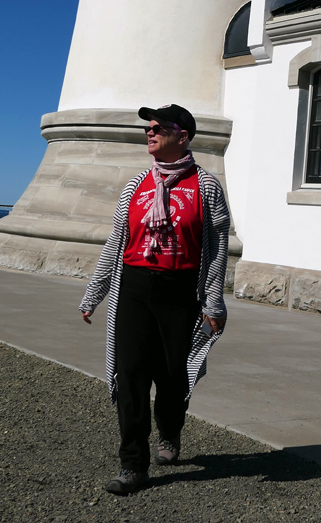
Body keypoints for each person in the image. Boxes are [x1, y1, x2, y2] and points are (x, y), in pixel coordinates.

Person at [79, 103, 230, 495]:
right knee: (130, 376)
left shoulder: (207, 186)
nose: (150, 131)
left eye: (159, 126)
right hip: (134, 286)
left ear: (183, 135)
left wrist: (213, 303)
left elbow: (216, 250)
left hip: (180, 292)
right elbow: (116, 242)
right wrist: (93, 294)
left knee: (172, 377)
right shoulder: (136, 185)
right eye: (149, 126)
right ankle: (133, 464)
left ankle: (170, 431)